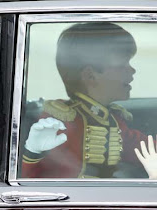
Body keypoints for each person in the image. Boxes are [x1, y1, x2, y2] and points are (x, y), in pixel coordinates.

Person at [21, 22, 150, 178]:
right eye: (122, 64)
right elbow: (32, 178)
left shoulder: (112, 119)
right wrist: (33, 152)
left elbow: (141, 148)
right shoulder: (62, 119)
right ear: (90, 75)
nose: (132, 70)